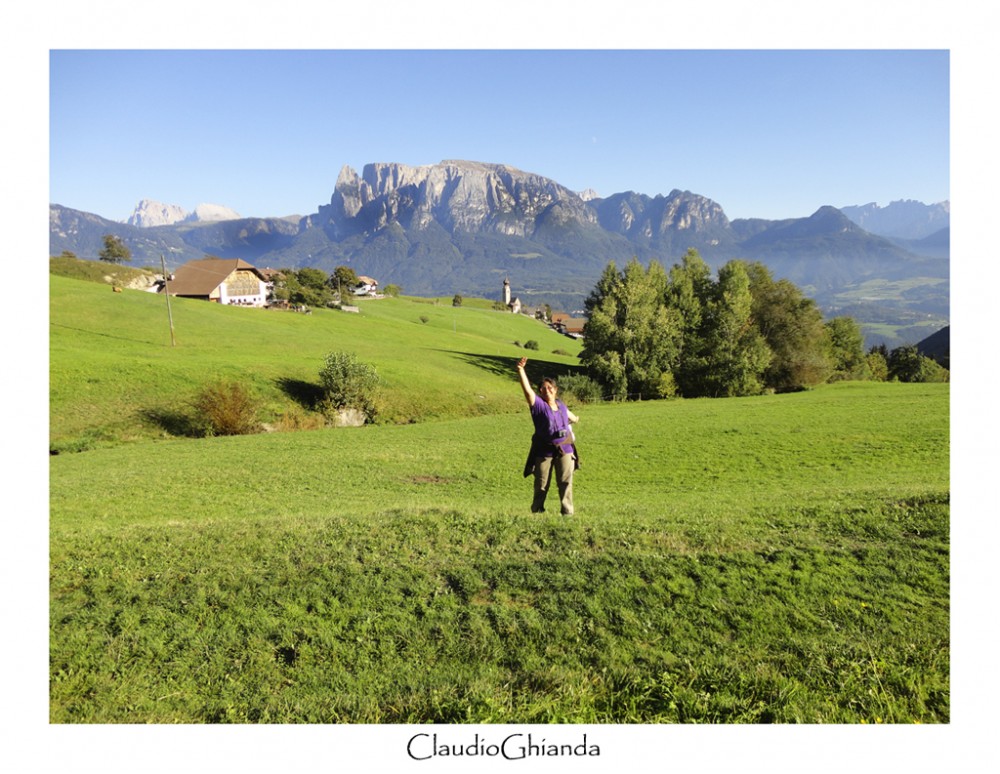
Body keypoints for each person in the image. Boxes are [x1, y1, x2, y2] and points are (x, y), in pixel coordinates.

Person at [516, 357, 579, 515]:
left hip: (565, 449)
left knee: (565, 482)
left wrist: (575, 419)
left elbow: (569, 415)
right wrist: (520, 370)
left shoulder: (561, 404)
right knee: (541, 485)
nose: (547, 390)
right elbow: (527, 391)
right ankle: (537, 512)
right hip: (544, 451)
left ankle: (567, 514)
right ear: (540, 392)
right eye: (543, 388)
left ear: (555, 389)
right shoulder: (538, 406)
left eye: (550, 387)